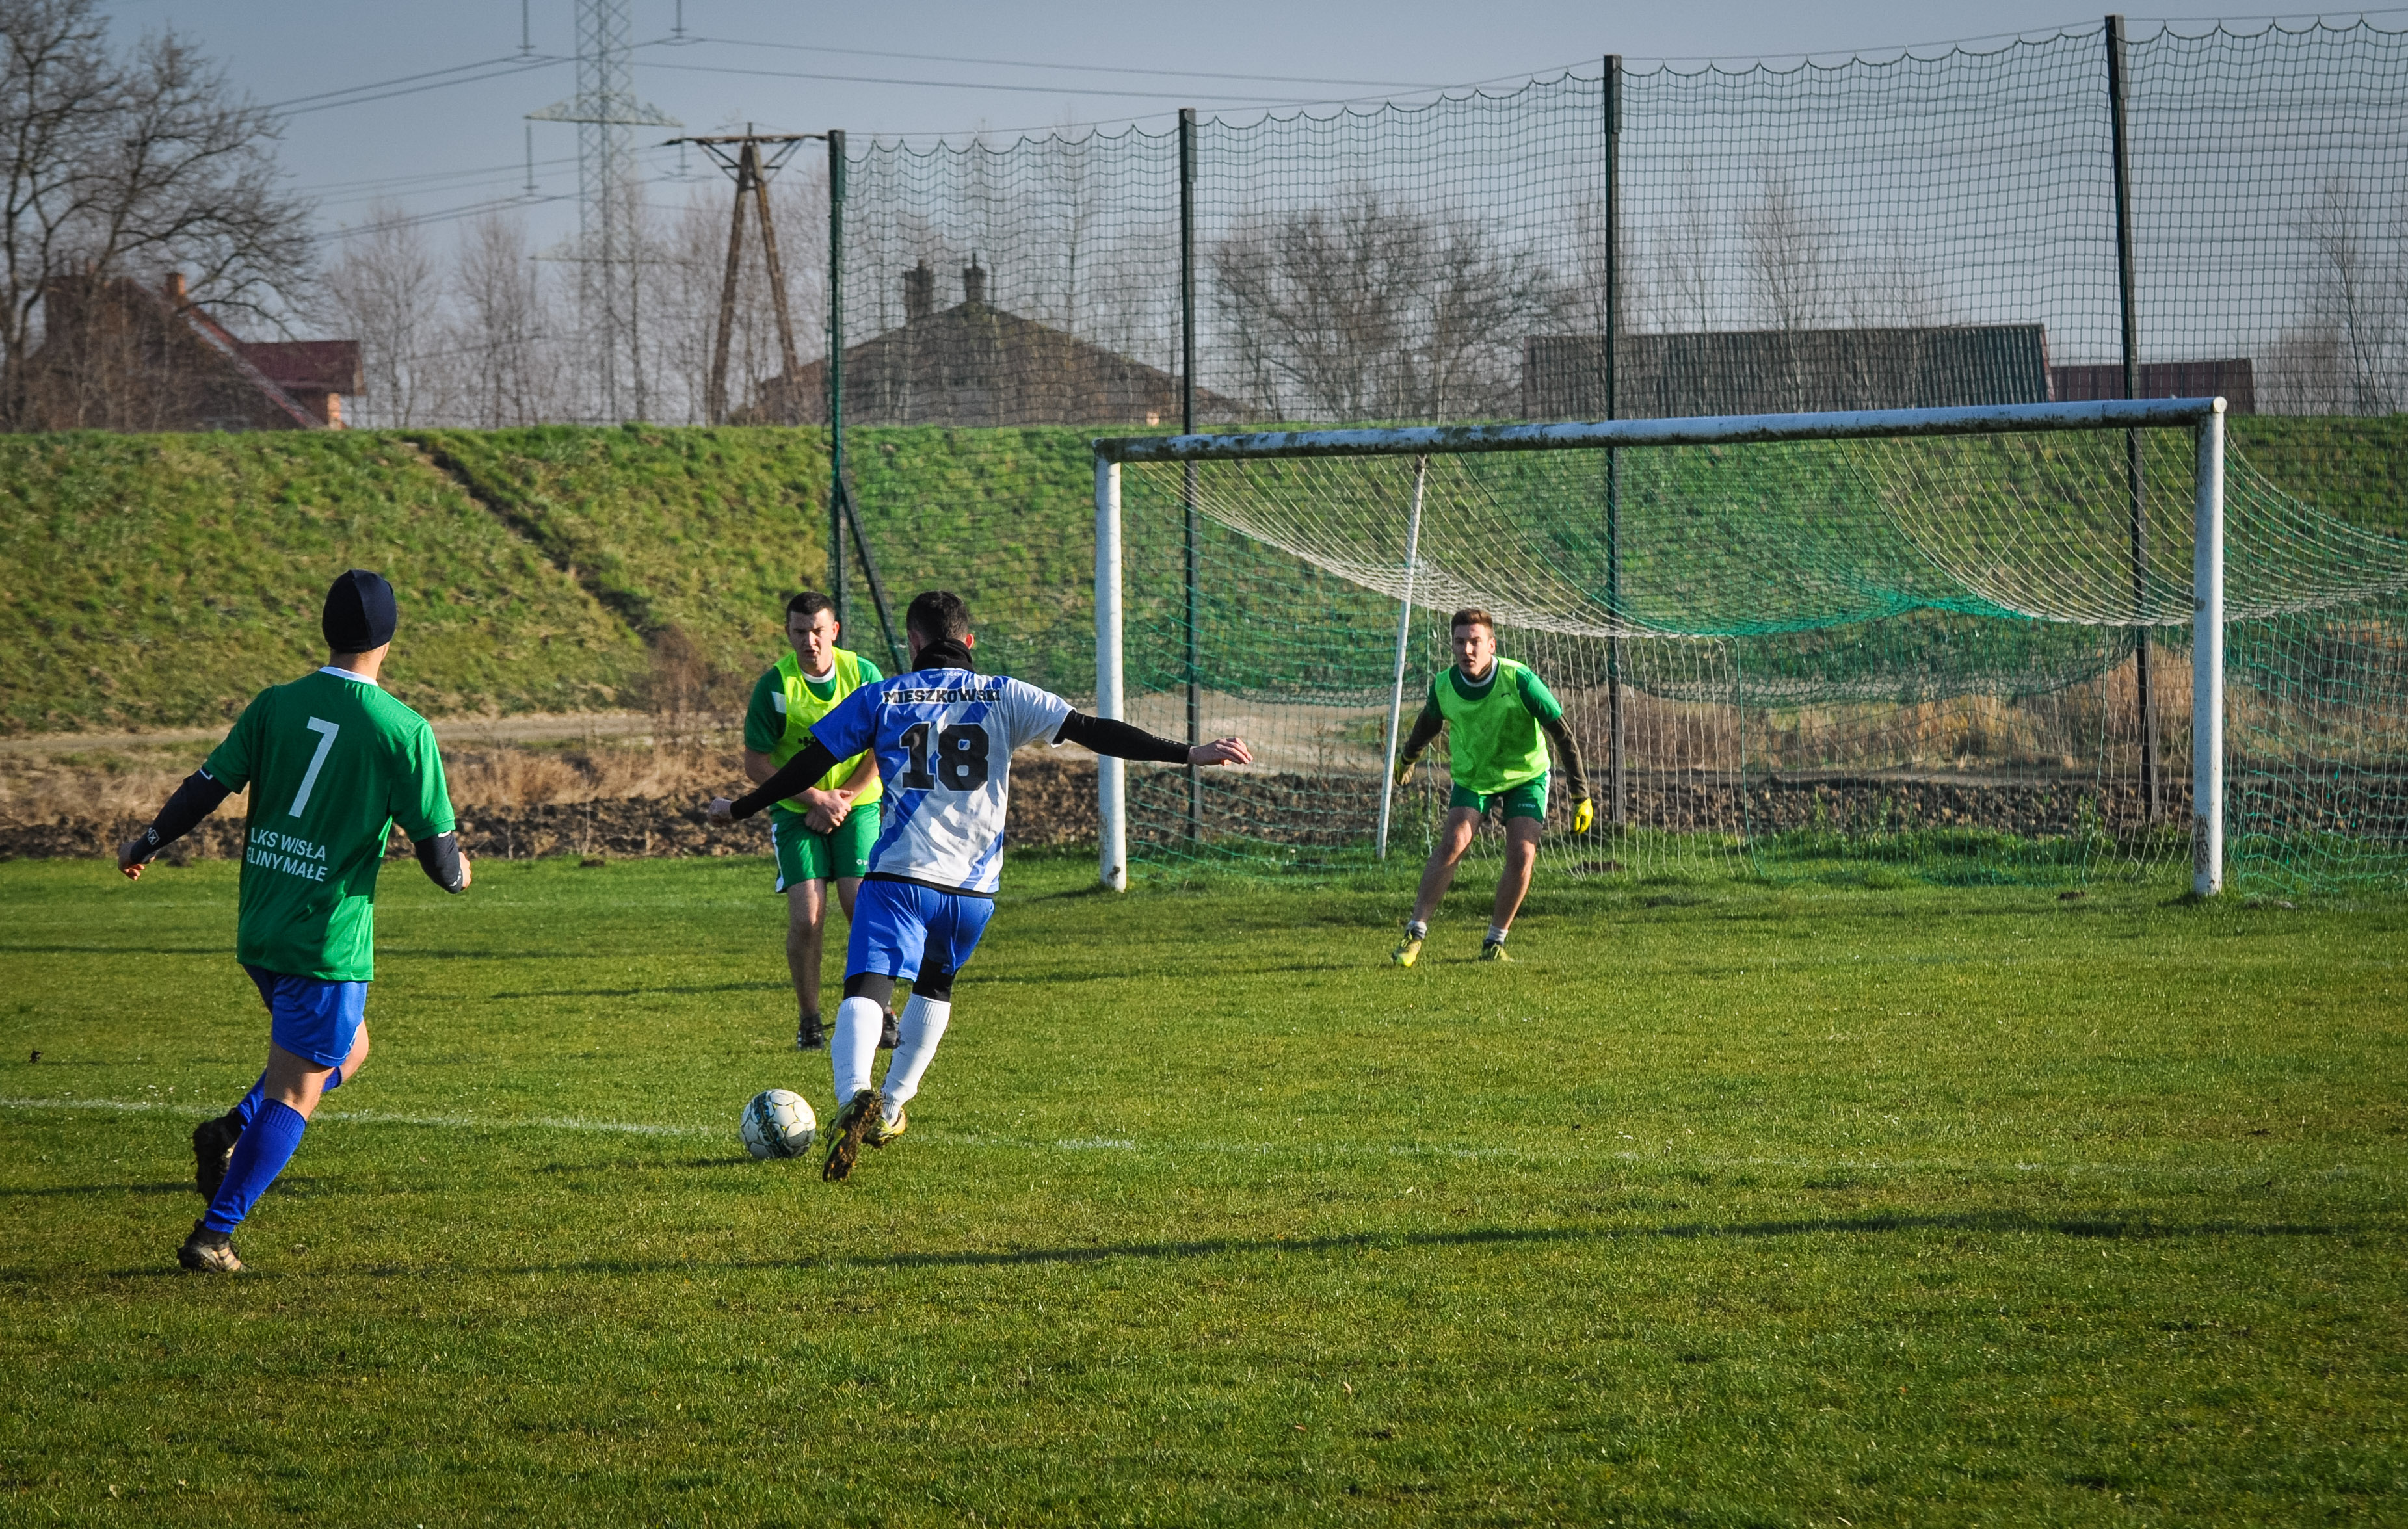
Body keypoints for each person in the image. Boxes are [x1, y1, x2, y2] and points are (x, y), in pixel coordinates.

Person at [710, 590, 1251, 1181]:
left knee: (867, 985)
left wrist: (739, 809)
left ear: (913, 643)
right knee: (935, 988)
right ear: (968, 643)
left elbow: (805, 765)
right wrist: (1189, 752)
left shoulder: (882, 695)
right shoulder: (1006, 694)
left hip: (898, 879)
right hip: (971, 893)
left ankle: (854, 1093)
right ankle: (890, 1107)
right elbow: (1096, 731)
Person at [117, 570, 470, 1274]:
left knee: (351, 1051)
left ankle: (229, 1130)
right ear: (391, 637)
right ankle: (214, 1236)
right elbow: (439, 858)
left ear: (326, 630)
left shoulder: (275, 705)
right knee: (297, 1090)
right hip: (324, 938)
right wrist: (460, 876)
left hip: (263, 927)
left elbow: (205, 788)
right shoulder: (403, 729)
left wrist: (147, 844)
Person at [1390, 608, 1592, 967]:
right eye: (1460, 642)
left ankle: (1494, 941)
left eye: (1475, 642)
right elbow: (1427, 724)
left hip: (1526, 776)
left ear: (1492, 645)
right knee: (1453, 842)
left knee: (1523, 854)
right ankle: (1414, 934)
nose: (1467, 650)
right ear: (1452, 645)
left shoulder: (1520, 680)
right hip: (1474, 778)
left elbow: (1562, 733)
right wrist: (1408, 758)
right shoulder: (1444, 685)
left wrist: (1581, 795)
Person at [741, 591, 888, 1051]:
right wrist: (813, 799)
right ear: (788, 633)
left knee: (859, 904)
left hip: (856, 805)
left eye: (818, 631)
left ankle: (880, 1010)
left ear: (835, 631)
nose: (810, 641)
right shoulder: (775, 686)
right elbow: (756, 763)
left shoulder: (862, 674)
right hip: (797, 812)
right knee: (807, 917)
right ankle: (809, 1021)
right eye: (800, 632)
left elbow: (883, 745)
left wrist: (842, 799)